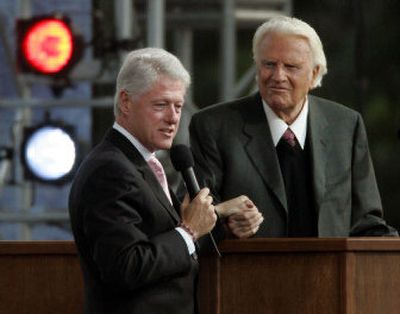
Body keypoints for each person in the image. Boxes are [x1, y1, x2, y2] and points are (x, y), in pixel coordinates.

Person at [69, 48, 263, 314]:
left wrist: (223, 224)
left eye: (178, 106)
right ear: (125, 102)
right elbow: (126, 267)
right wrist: (189, 230)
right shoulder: (110, 170)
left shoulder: (141, 163)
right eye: (161, 105)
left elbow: (167, 243)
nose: (173, 118)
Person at [190, 16, 398, 237]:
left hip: (331, 270)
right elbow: (192, 221)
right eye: (269, 64)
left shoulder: (346, 125)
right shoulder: (214, 127)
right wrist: (229, 228)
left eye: (291, 66)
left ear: (315, 73)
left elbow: (366, 222)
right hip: (248, 269)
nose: (278, 76)